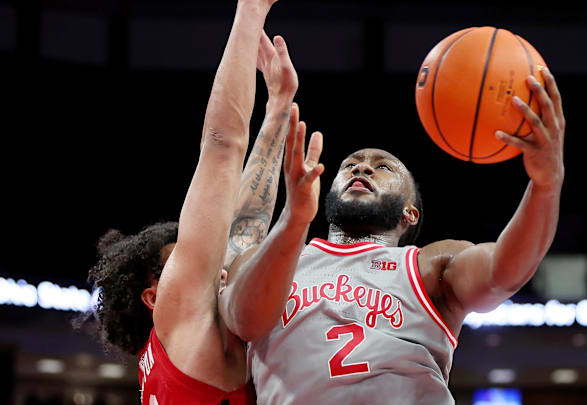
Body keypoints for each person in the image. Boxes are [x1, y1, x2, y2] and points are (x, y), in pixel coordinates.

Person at [219, 68, 566, 404]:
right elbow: (243, 319)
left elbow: (503, 273)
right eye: (349, 165)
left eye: (383, 167)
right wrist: (293, 221)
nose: (362, 167)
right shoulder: (272, 262)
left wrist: (545, 186)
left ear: (409, 213)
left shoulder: (429, 265)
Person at [82, 0, 309, 403]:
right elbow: (222, 145)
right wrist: (250, 10)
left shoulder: (180, 350)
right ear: (154, 295)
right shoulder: (182, 320)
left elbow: (245, 226)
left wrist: (278, 106)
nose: (219, 269)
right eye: (196, 260)